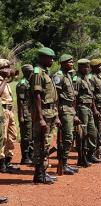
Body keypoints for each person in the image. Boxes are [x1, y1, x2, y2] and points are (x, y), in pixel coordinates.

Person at [31, 47, 61, 184]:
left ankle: (43, 172)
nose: (52, 60)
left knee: (46, 142)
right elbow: (36, 95)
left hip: (50, 112)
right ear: (42, 58)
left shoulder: (45, 73)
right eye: (50, 58)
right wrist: (41, 118)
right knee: (40, 143)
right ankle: (39, 175)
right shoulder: (38, 73)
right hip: (43, 113)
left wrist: (55, 115)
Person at [53, 54, 79, 175]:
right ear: (63, 63)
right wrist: (57, 115)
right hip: (63, 109)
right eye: (70, 62)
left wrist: (74, 113)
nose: (72, 63)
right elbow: (56, 97)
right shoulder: (58, 76)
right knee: (67, 137)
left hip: (70, 109)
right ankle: (62, 164)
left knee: (70, 136)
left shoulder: (68, 75)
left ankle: (65, 163)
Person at [72, 59, 101, 164]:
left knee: (92, 132)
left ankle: (90, 154)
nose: (87, 69)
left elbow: (91, 95)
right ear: (80, 67)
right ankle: (82, 157)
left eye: (88, 67)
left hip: (89, 109)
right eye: (85, 67)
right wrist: (75, 114)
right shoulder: (77, 79)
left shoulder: (87, 78)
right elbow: (74, 98)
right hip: (81, 108)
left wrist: (94, 109)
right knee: (82, 134)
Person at [0, 59, 18, 173]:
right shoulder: (2, 81)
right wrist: (5, 79)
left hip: (10, 111)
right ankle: (1, 163)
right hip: (3, 111)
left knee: (12, 136)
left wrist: (9, 76)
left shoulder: (4, 80)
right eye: (5, 67)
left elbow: (13, 76)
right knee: (3, 138)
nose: (8, 69)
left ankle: (8, 161)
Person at [89, 59, 101, 159]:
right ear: (94, 67)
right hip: (98, 107)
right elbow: (91, 95)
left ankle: (99, 150)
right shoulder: (91, 78)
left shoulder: (99, 77)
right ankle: (94, 152)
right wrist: (95, 109)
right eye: (99, 66)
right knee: (97, 130)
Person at [16, 64, 34, 165]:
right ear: (26, 72)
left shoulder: (30, 82)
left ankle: (31, 154)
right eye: (30, 71)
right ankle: (25, 157)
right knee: (26, 136)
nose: (32, 73)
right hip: (26, 112)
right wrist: (21, 116)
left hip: (31, 111)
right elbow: (20, 101)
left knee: (32, 135)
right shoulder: (22, 84)